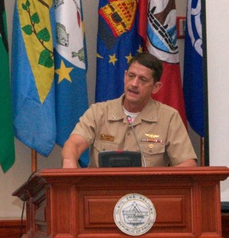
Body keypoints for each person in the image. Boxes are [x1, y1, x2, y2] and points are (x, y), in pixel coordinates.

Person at [60, 53, 197, 168]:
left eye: (142, 80)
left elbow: (188, 163)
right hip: (101, 195)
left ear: (156, 87)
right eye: (131, 76)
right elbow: (74, 145)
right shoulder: (98, 112)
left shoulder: (169, 118)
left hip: (147, 197)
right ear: (125, 76)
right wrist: (69, 168)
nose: (134, 84)